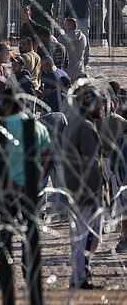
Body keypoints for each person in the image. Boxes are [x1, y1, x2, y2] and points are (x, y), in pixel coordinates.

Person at [0, 88, 51, 290]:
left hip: (5, 191)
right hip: (31, 191)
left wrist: (7, 180)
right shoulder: (36, 126)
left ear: (7, 105)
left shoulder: (1, 126)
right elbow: (48, 155)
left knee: (4, 235)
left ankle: (3, 279)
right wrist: (38, 178)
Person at [61, 86, 104, 289]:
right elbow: (92, 164)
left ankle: (79, 275)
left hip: (73, 187)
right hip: (86, 190)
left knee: (81, 235)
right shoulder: (86, 127)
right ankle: (80, 277)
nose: (101, 109)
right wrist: (98, 192)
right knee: (88, 236)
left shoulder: (73, 124)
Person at [67, 0, 95, 64]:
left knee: (84, 38)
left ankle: (86, 60)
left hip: (84, 17)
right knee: (73, 38)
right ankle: (75, 59)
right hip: (73, 17)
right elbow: (70, 1)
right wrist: (66, 15)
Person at [57, 17, 87, 82]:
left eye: (65, 24)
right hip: (79, 70)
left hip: (66, 70)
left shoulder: (62, 37)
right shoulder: (83, 37)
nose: (63, 26)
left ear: (70, 25)